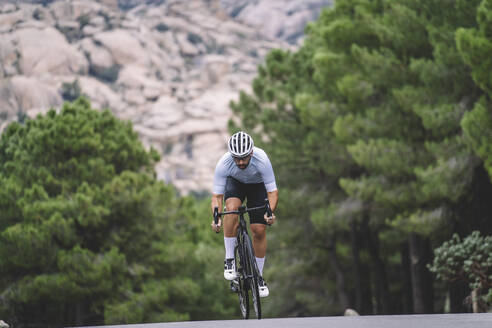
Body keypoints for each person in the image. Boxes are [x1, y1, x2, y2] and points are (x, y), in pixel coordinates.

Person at [211, 131, 278, 298]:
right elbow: (217, 197)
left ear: (251, 153)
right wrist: (216, 218)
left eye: (244, 158)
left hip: (258, 186)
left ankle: (259, 277)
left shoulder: (262, 159)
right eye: (237, 158)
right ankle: (229, 261)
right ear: (231, 155)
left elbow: (273, 192)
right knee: (231, 208)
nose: (240, 162)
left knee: (258, 230)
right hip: (236, 184)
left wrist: (269, 213)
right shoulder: (224, 163)